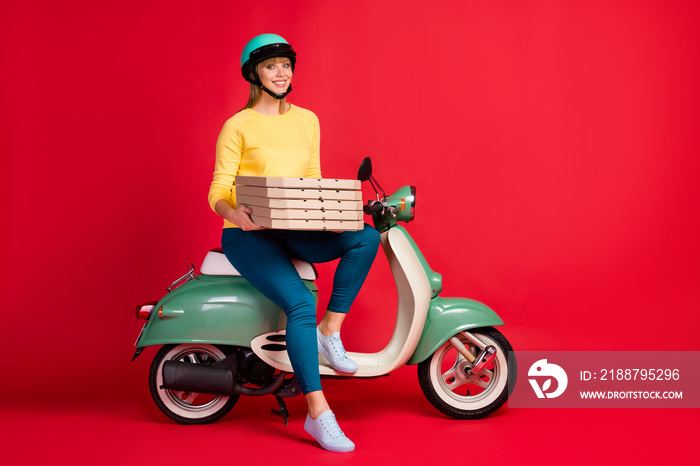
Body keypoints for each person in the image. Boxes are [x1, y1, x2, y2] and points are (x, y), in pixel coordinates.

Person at [208, 33, 380, 453]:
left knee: (367, 237)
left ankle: (330, 331)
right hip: (248, 236)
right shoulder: (238, 125)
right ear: (255, 73)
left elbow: (311, 180)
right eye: (271, 66)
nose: (281, 72)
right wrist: (234, 214)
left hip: (294, 227)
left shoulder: (308, 120)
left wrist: (331, 213)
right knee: (300, 304)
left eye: (286, 64)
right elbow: (217, 188)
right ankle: (319, 415)